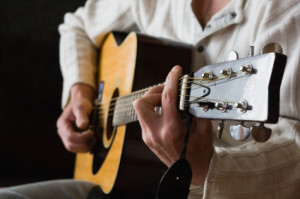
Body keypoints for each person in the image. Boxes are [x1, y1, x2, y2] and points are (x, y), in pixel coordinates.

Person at [1, 0, 300, 198]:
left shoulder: (284, 11)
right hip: (121, 184)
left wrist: (204, 168)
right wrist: (79, 92)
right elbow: (76, 26)